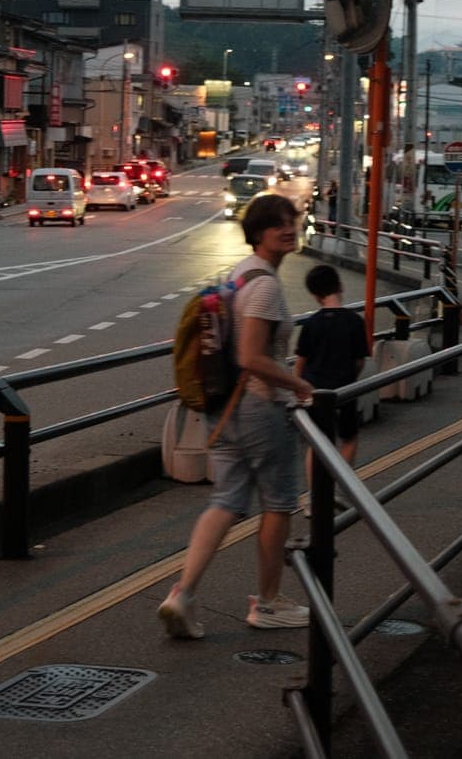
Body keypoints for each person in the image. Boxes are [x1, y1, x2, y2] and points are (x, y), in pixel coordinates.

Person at [158, 192, 313, 639]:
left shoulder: (239, 277)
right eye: (276, 223)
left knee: (226, 501)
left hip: (223, 408)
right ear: (258, 233)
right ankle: (268, 602)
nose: (288, 228)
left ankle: (183, 594)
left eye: (292, 220)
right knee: (279, 504)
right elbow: (252, 357)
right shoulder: (264, 286)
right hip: (260, 409)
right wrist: (300, 386)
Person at [294, 263, 372, 477]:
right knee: (349, 438)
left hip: (314, 390)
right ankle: (342, 488)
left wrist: (297, 388)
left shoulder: (311, 323)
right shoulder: (355, 322)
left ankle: (314, 499)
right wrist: (348, 377)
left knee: (317, 443)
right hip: (344, 388)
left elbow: (301, 361)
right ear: (340, 286)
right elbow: (360, 360)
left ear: (315, 295)